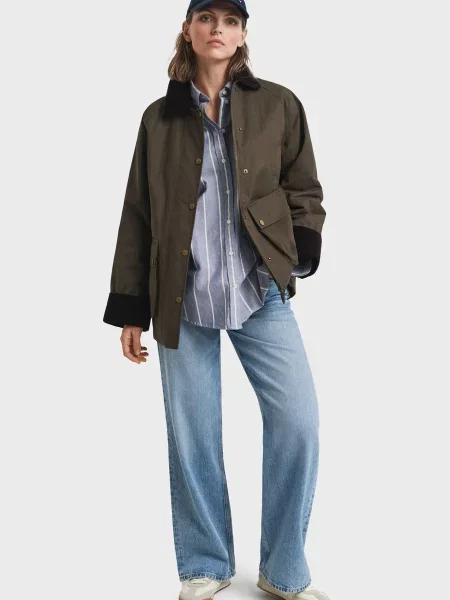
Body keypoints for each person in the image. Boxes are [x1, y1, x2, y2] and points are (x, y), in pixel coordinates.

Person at [103, 0, 328, 598]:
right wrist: (130, 307)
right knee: (193, 433)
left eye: (230, 21)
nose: (217, 29)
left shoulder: (278, 104)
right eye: (207, 18)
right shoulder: (159, 119)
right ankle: (205, 564)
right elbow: (138, 212)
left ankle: (284, 572)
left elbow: (304, 188)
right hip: (180, 296)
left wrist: (298, 251)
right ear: (188, 29)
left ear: (243, 33)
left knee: (298, 422)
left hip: (260, 289)